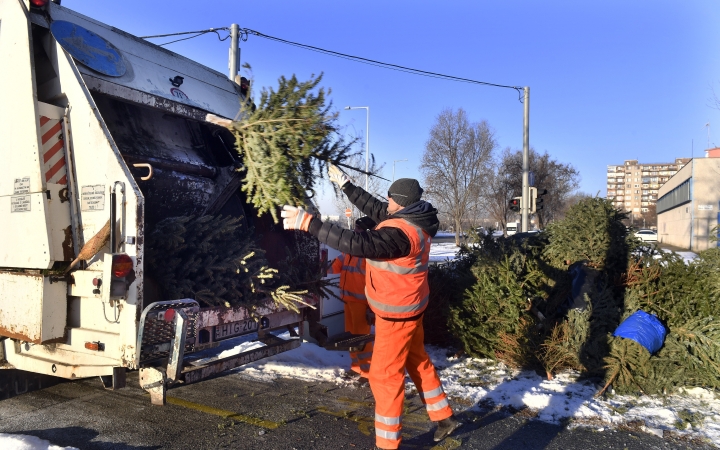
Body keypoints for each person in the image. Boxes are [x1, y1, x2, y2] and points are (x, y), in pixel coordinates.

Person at [281, 165, 461, 450]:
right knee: (417, 360)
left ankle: (388, 445)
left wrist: (310, 224)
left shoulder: (400, 236)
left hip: (396, 316)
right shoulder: (414, 217)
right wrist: (346, 185)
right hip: (411, 310)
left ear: (401, 202)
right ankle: (445, 417)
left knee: (384, 377)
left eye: (391, 198)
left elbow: (355, 242)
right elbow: (374, 206)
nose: (386, 203)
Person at [326, 216, 377, 386]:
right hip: (348, 301)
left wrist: (371, 309)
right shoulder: (350, 251)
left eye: (359, 230)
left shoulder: (371, 255)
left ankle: (368, 372)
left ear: (367, 232)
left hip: (362, 305)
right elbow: (334, 266)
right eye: (354, 230)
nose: (355, 233)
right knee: (351, 337)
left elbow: (375, 283)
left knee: (362, 338)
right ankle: (356, 367)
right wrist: (319, 266)